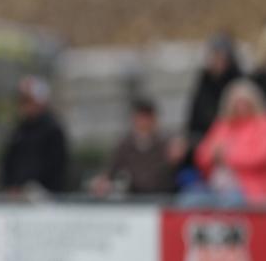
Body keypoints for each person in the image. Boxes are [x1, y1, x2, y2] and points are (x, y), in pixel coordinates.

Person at [183, 79, 266, 207]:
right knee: (188, 198)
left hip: (247, 188)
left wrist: (228, 156)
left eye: (244, 103)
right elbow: (202, 156)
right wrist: (213, 155)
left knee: (230, 202)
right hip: (215, 185)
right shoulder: (222, 125)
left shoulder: (261, 125)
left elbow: (260, 156)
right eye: (237, 103)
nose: (240, 107)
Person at [90, 98, 185, 198]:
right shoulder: (126, 145)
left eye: (147, 118)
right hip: (137, 197)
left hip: (164, 196)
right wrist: (102, 181)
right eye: (141, 117)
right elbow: (111, 170)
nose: (144, 122)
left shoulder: (167, 142)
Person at [0, 76, 69, 195]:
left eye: (27, 101)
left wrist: (26, 185)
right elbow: (9, 161)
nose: (24, 106)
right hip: (16, 195)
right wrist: (10, 185)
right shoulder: (20, 128)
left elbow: (53, 167)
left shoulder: (52, 129)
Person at [185, 33, 242, 152]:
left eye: (220, 56)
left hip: (236, 144)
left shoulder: (238, 84)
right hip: (205, 143)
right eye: (213, 55)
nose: (215, 61)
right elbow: (193, 122)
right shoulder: (203, 84)